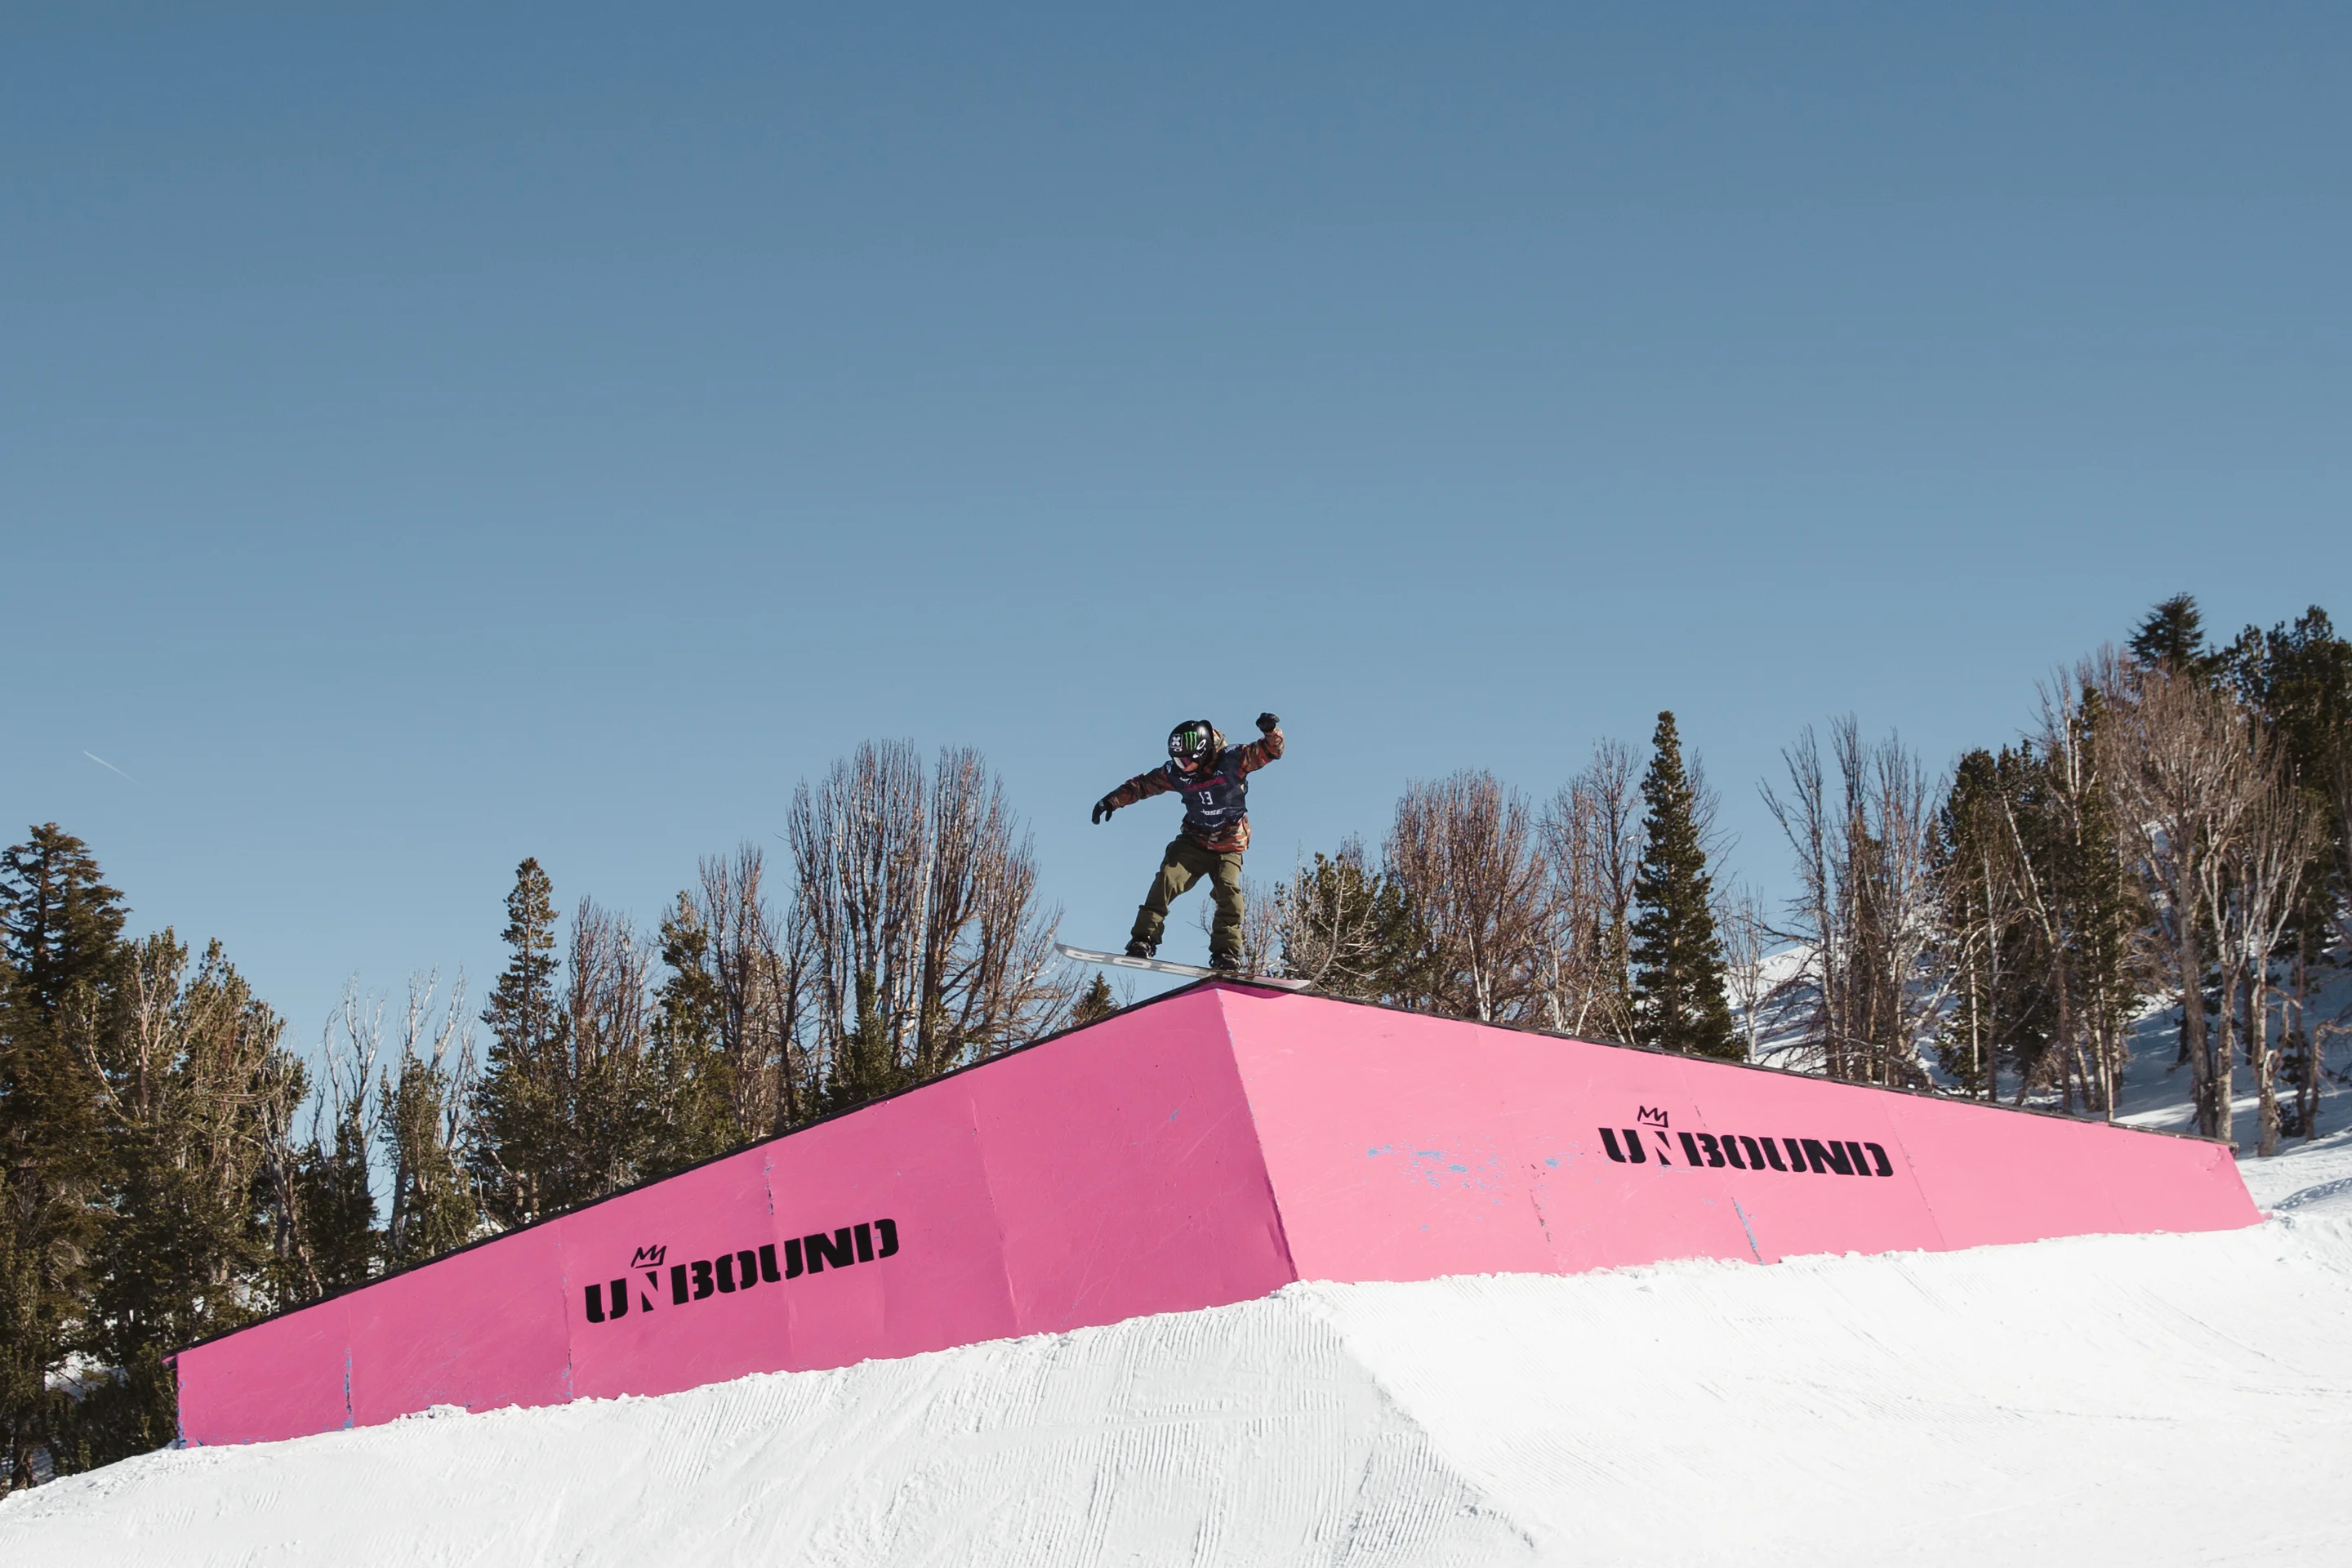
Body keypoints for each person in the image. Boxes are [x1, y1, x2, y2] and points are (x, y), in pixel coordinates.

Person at [1091, 713, 1285, 973]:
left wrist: (1271, 731)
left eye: (1188, 761)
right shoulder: (1177, 774)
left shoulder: (1233, 760)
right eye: (1178, 761)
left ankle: (1226, 953)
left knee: (1229, 893)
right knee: (1167, 879)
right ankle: (1143, 938)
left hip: (1228, 845)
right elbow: (1143, 785)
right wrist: (1112, 800)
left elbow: (1270, 751)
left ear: (1204, 753)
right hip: (1194, 840)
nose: (1184, 767)